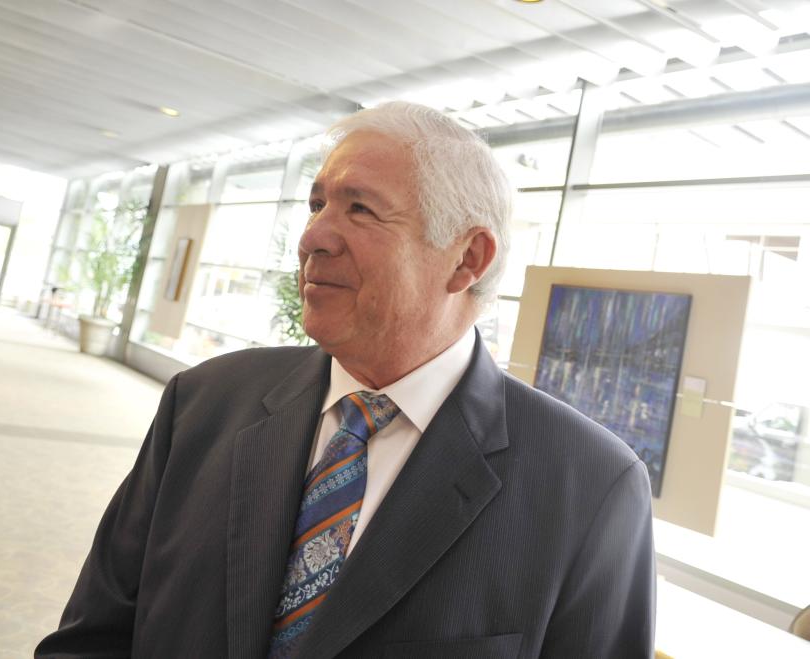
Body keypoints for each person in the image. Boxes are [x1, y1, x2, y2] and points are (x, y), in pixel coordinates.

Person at [36, 101, 655, 658]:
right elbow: (94, 638)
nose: (311, 238)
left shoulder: (591, 487)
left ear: (468, 259)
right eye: (316, 204)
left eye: (360, 209)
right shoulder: (202, 404)